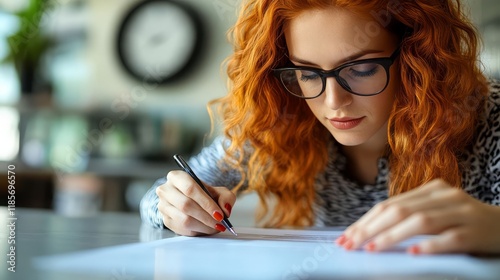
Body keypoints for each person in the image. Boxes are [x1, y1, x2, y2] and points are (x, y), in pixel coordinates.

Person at [140, 0, 500, 255]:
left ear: (415, 58)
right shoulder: (281, 120)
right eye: (308, 73)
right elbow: (157, 197)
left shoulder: (488, 117)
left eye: (360, 69)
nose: (332, 102)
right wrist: (177, 207)